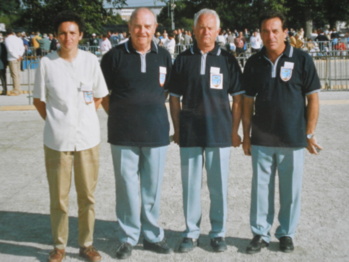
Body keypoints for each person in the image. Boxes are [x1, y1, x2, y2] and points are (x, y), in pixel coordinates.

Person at [242, 11, 322, 254]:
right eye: (265, 31)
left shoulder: (302, 59)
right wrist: (246, 136)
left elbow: (313, 99)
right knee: (260, 190)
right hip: (262, 138)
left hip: (293, 139)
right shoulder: (254, 62)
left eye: (275, 31)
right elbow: (247, 102)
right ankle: (260, 233)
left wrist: (308, 133)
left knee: (291, 192)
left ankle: (286, 233)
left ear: (285, 33)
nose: (270, 36)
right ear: (260, 34)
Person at [33, 11, 108, 262]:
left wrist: (84, 118)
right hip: (57, 140)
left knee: (87, 196)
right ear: (56, 36)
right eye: (63, 33)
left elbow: (98, 95)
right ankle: (59, 246)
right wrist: (57, 121)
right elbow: (39, 100)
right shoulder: (47, 64)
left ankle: (87, 244)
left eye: (73, 33)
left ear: (81, 35)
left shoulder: (90, 61)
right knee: (59, 197)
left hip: (88, 139)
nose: (68, 38)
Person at [169, 9, 244, 253]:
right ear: (194, 30)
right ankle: (191, 233)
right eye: (201, 27)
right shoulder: (182, 59)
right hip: (190, 132)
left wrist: (235, 131)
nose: (206, 32)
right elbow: (174, 98)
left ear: (218, 31)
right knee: (190, 186)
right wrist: (177, 129)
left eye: (210, 27)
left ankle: (218, 233)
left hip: (219, 133)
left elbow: (238, 99)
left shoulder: (228, 59)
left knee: (218, 187)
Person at [100, 7, 173, 260]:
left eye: (148, 26)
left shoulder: (164, 56)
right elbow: (101, 95)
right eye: (138, 26)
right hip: (123, 135)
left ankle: (152, 235)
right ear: (129, 27)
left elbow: (165, 92)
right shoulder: (113, 57)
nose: (143, 31)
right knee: (127, 189)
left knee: (152, 189)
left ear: (155, 28)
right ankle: (128, 237)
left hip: (156, 133)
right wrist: (120, 114)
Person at [4, 28, 25, 96]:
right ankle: (18, 88)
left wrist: (16, 56)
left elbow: (10, 50)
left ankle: (16, 90)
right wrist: (20, 55)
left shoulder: (7, 39)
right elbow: (22, 48)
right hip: (19, 57)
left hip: (12, 58)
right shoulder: (18, 39)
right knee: (18, 74)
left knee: (14, 74)